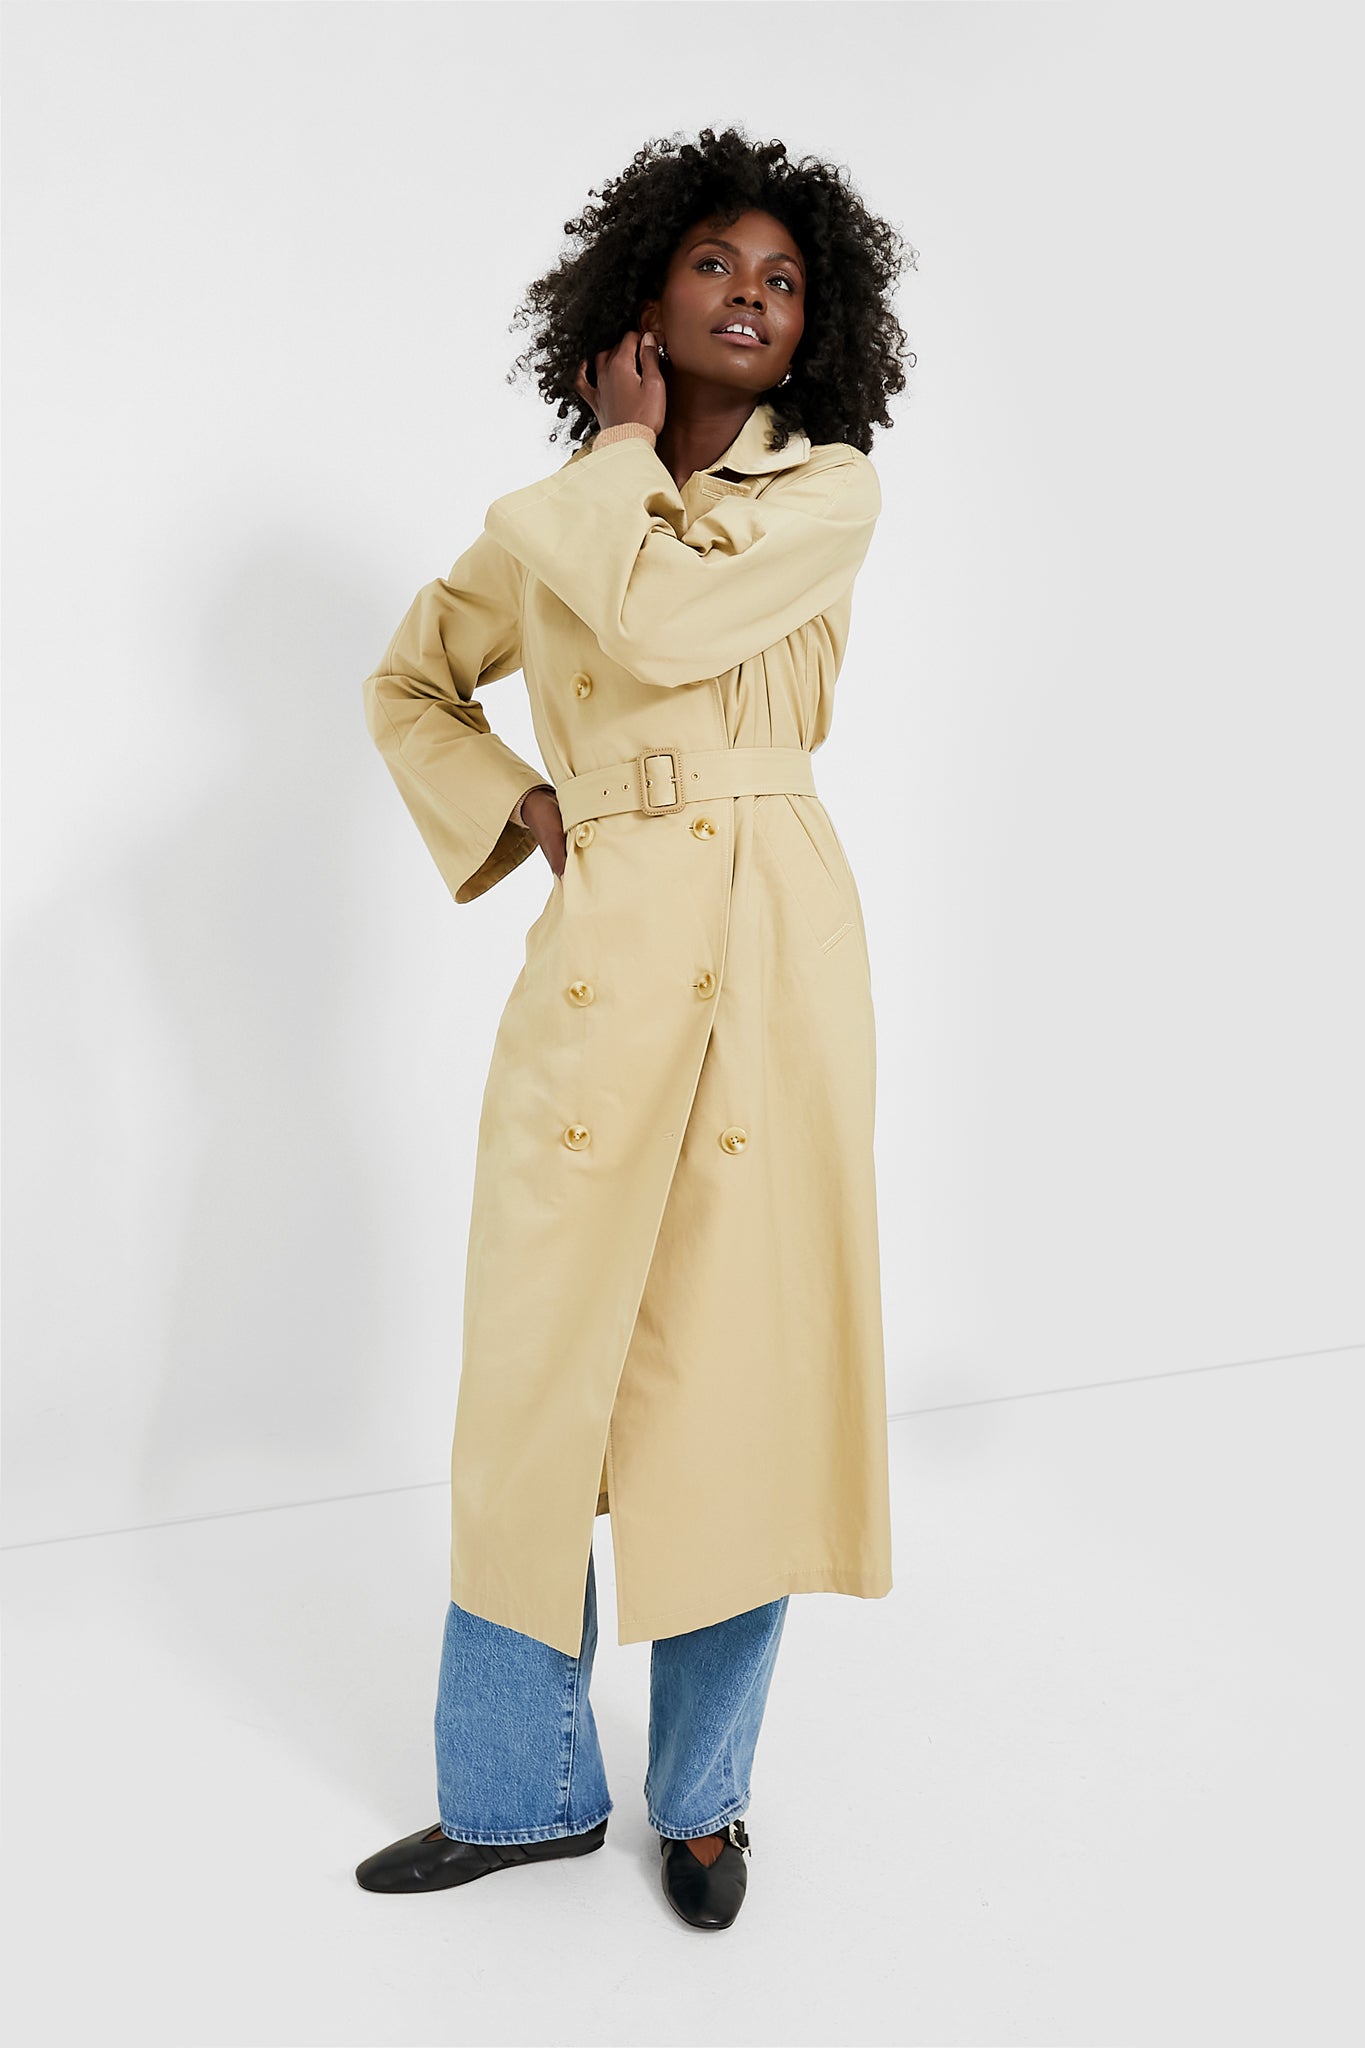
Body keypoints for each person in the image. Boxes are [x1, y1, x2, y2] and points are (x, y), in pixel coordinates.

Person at [355, 125, 916, 1930]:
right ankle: (516, 1792)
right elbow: (409, 679)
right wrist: (519, 804)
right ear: (639, 299)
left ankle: (704, 1803)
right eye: (713, 266)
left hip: (766, 943)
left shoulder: (823, 492)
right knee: (534, 1379)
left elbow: (663, 619)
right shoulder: (555, 520)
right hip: (603, 946)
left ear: (815, 326)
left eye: (784, 280)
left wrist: (611, 460)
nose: (751, 297)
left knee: (737, 1372)